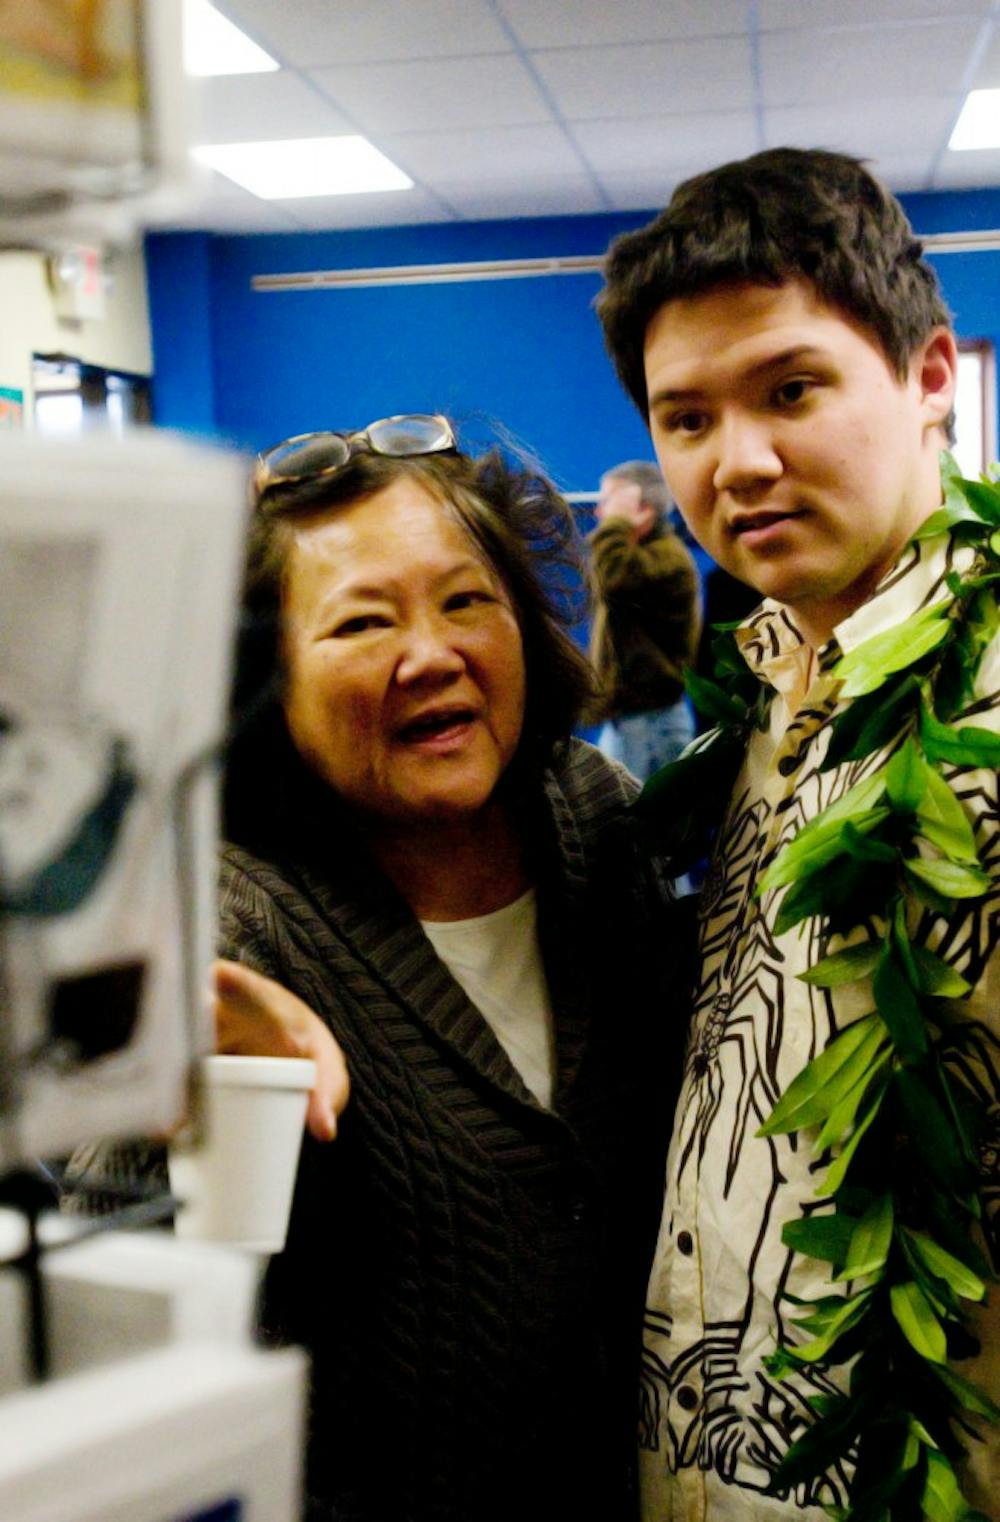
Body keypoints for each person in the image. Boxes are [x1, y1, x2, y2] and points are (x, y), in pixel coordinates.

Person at [70, 415, 685, 1522]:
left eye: (466, 601)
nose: (432, 654)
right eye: (363, 622)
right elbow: (112, 1342)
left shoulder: (603, 824)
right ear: (263, 679)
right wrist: (181, 1116)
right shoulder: (231, 929)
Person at [596, 148, 1000, 1519]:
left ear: (929, 375)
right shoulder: (762, 701)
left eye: (791, 390)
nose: (741, 462)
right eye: (686, 416)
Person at [587, 460, 701, 780]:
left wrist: (617, 523)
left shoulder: (666, 560)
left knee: (632, 810)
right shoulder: (647, 555)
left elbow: (610, 575)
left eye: (608, 501)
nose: (599, 512)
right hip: (636, 720)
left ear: (643, 509)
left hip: (650, 725)